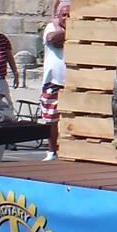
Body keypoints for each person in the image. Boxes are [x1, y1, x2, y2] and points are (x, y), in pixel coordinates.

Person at [39, 23, 67, 155]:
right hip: (53, 82)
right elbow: (51, 38)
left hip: (72, 82)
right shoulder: (51, 26)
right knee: (51, 119)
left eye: (68, 14)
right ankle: (51, 151)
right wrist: (73, 31)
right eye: (63, 14)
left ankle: (65, 149)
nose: (66, 17)